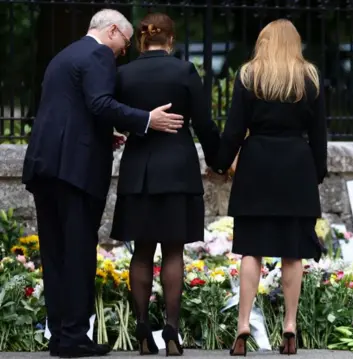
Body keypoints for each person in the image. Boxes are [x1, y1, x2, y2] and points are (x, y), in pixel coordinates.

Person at [22, 8, 184, 358]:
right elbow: (99, 102)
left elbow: (71, 110)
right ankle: (76, 337)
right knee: (79, 251)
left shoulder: (64, 55)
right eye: (124, 44)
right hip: (75, 171)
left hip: (45, 164)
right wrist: (146, 119)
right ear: (112, 30)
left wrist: (103, 133)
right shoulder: (97, 55)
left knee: (55, 253)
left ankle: (61, 335)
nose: (123, 52)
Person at [211, 19, 328, 356]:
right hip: (296, 166)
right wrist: (316, 173)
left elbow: (234, 129)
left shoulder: (249, 75)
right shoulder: (309, 78)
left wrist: (221, 161)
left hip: (256, 166)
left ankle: (243, 324)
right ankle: (290, 324)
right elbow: (319, 134)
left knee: (251, 250)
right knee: (293, 253)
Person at [109, 12, 220, 357]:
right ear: (171, 40)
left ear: (141, 40)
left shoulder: (123, 73)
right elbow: (204, 123)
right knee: (173, 250)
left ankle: (143, 328)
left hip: (139, 170)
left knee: (142, 252)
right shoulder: (184, 71)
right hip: (177, 170)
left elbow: (110, 113)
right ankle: (171, 330)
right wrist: (220, 161)